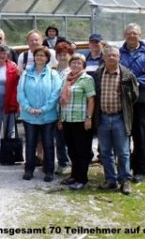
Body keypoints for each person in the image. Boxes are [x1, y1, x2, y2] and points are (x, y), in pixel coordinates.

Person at [93, 46, 138, 195]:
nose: (111, 58)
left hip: (120, 117)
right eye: (108, 55)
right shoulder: (98, 74)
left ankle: (125, 180)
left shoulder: (126, 75)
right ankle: (110, 180)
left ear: (119, 57)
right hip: (103, 118)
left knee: (123, 152)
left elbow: (134, 95)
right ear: (104, 58)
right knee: (105, 151)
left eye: (114, 55)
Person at [119, 23, 145, 183]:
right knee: (123, 135)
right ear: (125, 35)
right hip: (122, 100)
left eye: (135, 33)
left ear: (140, 35)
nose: (131, 36)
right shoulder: (119, 53)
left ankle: (140, 169)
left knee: (139, 135)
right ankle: (125, 168)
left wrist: (134, 82)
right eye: (129, 33)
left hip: (141, 100)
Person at [17, 46, 62, 182]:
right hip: (29, 116)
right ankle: (29, 170)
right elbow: (20, 92)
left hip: (47, 116)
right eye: (37, 55)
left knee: (48, 143)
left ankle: (49, 171)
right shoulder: (25, 73)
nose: (40, 58)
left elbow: (56, 94)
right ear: (34, 58)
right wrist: (27, 108)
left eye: (43, 55)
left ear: (47, 58)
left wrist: (43, 109)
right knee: (30, 143)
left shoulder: (53, 74)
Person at [58, 54, 95, 190]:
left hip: (81, 120)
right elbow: (62, 101)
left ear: (83, 65)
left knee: (82, 151)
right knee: (72, 150)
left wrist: (89, 118)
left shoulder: (87, 79)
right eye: (73, 62)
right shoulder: (67, 79)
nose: (75, 65)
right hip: (68, 119)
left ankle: (82, 179)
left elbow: (91, 99)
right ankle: (74, 175)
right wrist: (61, 119)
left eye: (79, 63)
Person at [53, 42, 73, 175]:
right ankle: (62, 162)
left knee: (70, 137)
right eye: (59, 54)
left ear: (70, 55)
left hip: (69, 108)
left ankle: (71, 162)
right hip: (54, 108)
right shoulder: (52, 71)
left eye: (65, 54)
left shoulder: (73, 71)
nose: (62, 57)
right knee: (58, 137)